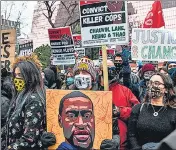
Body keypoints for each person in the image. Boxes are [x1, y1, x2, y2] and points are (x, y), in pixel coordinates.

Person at [1, 55, 47, 150]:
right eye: (15, 75)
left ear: (30, 76)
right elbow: (9, 127)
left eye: (20, 75)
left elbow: (30, 137)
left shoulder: (34, 100)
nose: (17, 79)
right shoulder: (19, 97)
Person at [128, 73, 176, 150]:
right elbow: (131, 135)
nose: (152, 86)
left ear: (166, 89)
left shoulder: (173, 112)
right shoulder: (138, 109)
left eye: (156, 83)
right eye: (150, 83)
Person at [99, 60, 139, 150]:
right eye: (107, 68)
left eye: (113, 69)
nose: (111, 71)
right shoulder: (94, 90)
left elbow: (137, 111)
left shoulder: (125, 91)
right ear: (100, 71)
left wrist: (120, 111)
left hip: (121, 142)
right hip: (97, 140)